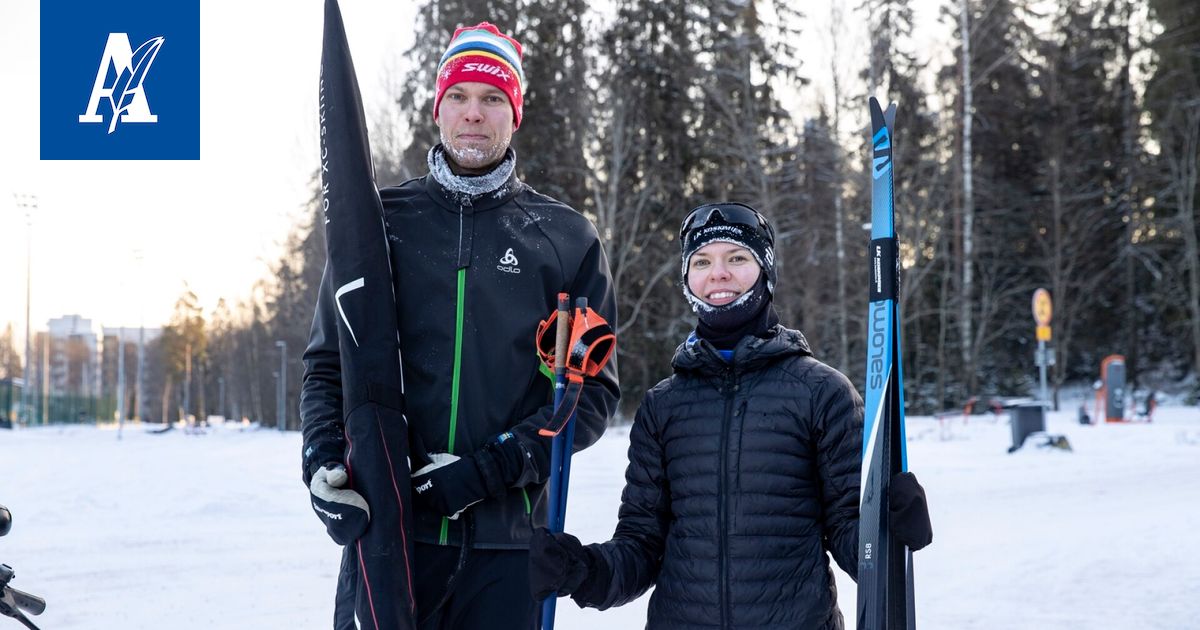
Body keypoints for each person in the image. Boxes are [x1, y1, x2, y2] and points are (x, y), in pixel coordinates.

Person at [300, 21, 620, 630]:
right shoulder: (377, 225)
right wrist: (321, 460)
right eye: (460, 97)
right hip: (391, 539)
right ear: (437, 110)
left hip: (509, 549)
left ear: (515, 112)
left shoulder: (565, 239)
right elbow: (326, 365)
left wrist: (485, 472)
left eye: (493, 97)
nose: (475, 113)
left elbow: (591, 393)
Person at [528, 202, 932, 629]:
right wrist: (583, 570)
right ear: (687, 280)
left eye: (736, 258)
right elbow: (642, 547)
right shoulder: (663, 405)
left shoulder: (821, 392)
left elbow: (856, 541)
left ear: (766, 271)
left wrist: (890, 529)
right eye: (701, 262)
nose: (717, 274)